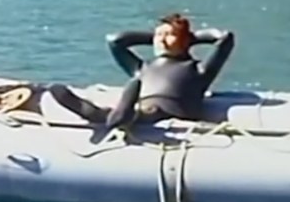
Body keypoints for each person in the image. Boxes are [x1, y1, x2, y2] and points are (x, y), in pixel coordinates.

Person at [49, 13, 235, 129]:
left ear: (187, 41)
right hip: (143, 110)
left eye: (168, 36)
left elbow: (225, 39)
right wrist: (157, 37)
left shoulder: (199, 70)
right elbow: (115, 41)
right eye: (157, 36)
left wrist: (191, 37)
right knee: (139, 104)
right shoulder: (142, 67)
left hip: (174, 113)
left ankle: (118, 114)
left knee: (148, 111)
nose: (161, 40)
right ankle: (99, 112)